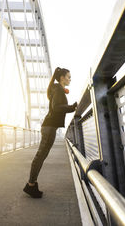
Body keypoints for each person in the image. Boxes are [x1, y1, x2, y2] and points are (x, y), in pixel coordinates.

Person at [23, 67, 77, 198]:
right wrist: (73, 107)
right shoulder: (58, 89)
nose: (70, 79)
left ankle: (32, 184)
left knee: (41, 156)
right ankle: (30, 185)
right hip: (49, 127)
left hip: (49, 127)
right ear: (62, 77)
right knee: (40, 156)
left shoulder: (56, 88)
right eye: (68, 77)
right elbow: (56, 107)